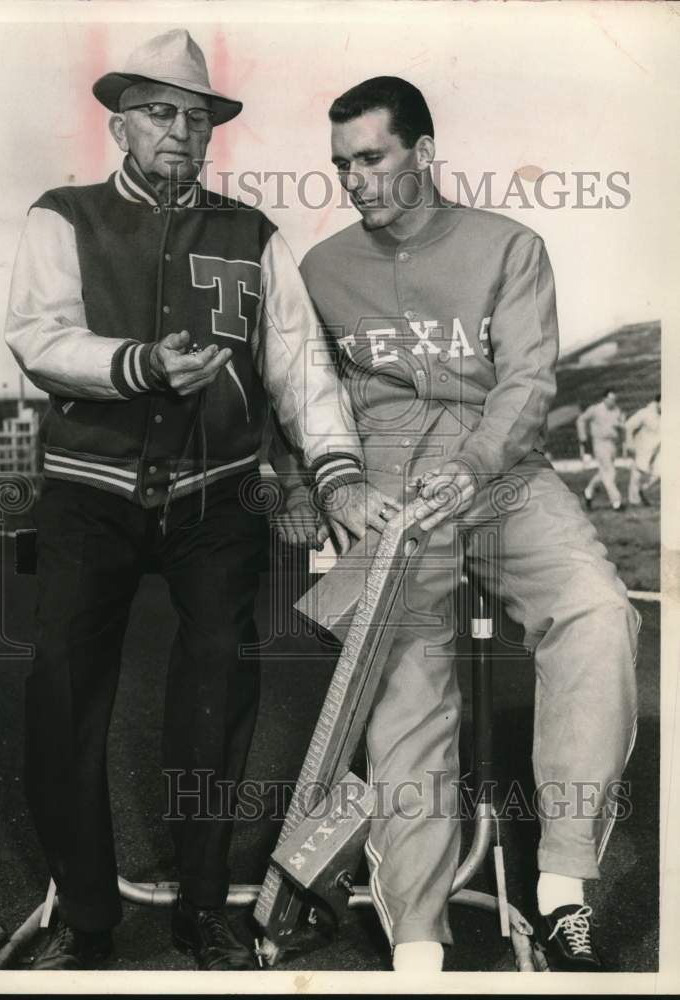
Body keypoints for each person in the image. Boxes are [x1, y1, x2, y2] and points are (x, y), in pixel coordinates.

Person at [4, 29, 396, 971]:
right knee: (61, 689)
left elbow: (300, 369)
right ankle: (87, 915)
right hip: (89, 493)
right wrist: (136, 365)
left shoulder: (251, 234)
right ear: (119, 125)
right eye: (157, 112)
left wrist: (335, 468)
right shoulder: (63, 216)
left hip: (215, 497)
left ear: (211, 130)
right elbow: (36, 334)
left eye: (194, 115)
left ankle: (201, 906)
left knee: (218, 683)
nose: (178, 130)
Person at [294, 76, 639, 972]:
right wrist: (329, 495)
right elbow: (305, 400)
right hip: (388, 487)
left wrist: (474, 464)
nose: (354, 180)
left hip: (499, 474)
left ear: (423, 154)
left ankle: (562, 880)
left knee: (597, 611)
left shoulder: (508, 245)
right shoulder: (320, 270)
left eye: (371, 158)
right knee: (407, 679)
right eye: (341, 165)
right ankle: (417, 933)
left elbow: (526, 385)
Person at [576, 389, 627, 510]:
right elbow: (581, 420)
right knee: (610, 472)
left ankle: (588, 491)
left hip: (612, 444)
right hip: (600, 443)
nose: (612, 402)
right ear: (604, 398)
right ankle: (616, 502)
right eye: (610, 399)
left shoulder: (617, 410)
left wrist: (621, 426)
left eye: (614, 399)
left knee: (604, 472)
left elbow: (620, 426)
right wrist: (583, 437)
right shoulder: (595, 409)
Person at [625, 395, 660, 506]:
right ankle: (634, 500)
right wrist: (629, 443)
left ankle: (643, 490)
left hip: (659, 449)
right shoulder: (645, 413)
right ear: (657, 402)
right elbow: (629, 426)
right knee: (638, 474)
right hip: (643, 447)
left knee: (660, 473)